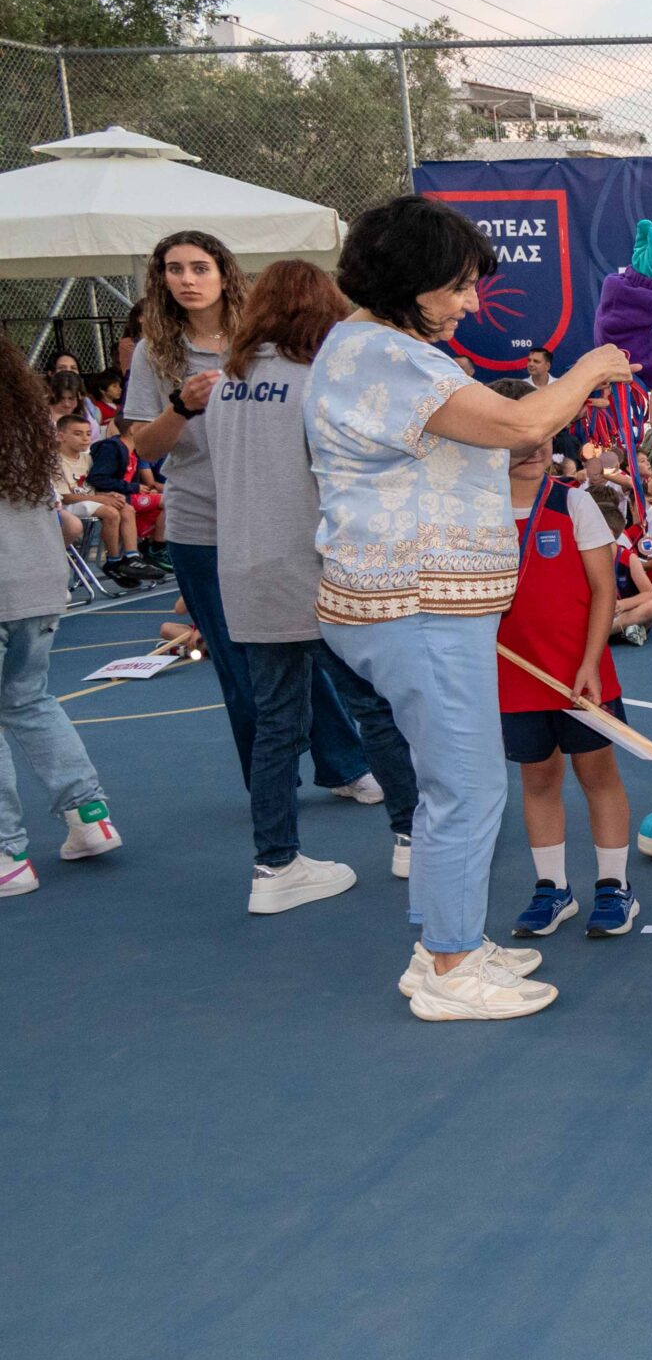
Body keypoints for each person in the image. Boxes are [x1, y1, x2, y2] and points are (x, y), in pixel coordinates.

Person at [307, 194, 634, 1022]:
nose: (470, 302)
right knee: (468, 783)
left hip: (415, 602)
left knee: (453, 780)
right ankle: (451, 965)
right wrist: (591, 368)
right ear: (405, 281)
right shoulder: (389, 357)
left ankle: (442, 943)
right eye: (455, 286)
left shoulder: (374, 349)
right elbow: (524, 421)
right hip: (418, 605)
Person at [127, 230, 377, 798]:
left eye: (199, 267)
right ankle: (271, 783)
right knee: (240, 665)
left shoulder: (265, 340)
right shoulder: (155, 352)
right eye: (174, 269)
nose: (187, 280)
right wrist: (182, 405)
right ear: (160, 279)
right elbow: (145, 447)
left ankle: (343, 764)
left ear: (225, 273)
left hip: (280, 519)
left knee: (310, 645)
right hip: (203, 524)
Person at [208, 259, 418, 915]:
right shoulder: (317, 382)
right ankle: (413, 834)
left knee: (276, 721)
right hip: (319, 566)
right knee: (373, 705)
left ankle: (274, 863)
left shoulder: (225, 385)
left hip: (247, 570)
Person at [481, 379, 637, 942]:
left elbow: (603, 590)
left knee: (598, 774)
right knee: (539, 777)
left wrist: (591, 662)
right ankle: (553, 888)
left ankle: (615, 886)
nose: (532, 446)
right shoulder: (476, 511)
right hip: (514, 676)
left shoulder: (573, 502)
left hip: (579, 672)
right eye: (517, 435)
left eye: (540, 432)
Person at [0, 343, 120, 896]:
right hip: (39, 580)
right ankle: (89, 817)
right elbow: (66, 524)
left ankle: (7, 852)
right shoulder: (27, 432)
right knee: (30, 700)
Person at [52, 415, 147, 585]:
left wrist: (110, 495)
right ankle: (113, 561)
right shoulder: (55, 461)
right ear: (60, 436)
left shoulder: (87, 458)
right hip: (68, 505)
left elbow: (95, 486)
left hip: (91, 500)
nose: (85, 438)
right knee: (111, 512)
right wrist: (102, 498)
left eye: (88, 433)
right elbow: (66, 497)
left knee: (126, 508)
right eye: (78, 434)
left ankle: (132, 558)